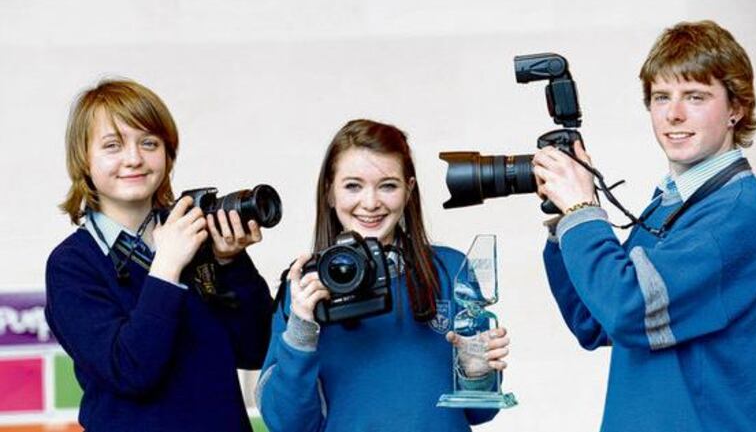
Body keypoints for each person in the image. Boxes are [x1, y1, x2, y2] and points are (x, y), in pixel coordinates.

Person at [532, 20, 756, 432]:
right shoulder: (671, 203)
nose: (674, 114)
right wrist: (566, 218)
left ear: (736, 108)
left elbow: (628, 311)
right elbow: (594, 321)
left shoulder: (739, 212)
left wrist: (582, 208)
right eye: (661, 96)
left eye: (695, 96)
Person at [45, 78, 273, 432]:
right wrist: (166, 266)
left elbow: (256, 348)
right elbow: (131, 371)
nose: (134, 158)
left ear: (168, 155)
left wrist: (231, 264)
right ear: (83, 160)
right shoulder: (72, 265)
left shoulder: (195, 232)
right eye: (112, 145)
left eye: (149, 143)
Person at [256, 119, 510, 432]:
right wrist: (301, 328)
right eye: (352, 186)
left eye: (388, 185)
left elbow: (479, 412)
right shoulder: (303, 286)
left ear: (409, 191)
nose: (371, 202)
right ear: (330, 193)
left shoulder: (451, 268)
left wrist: (475, 372)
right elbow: (287, 425)